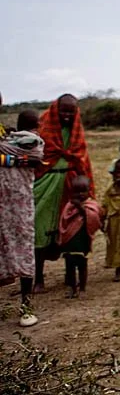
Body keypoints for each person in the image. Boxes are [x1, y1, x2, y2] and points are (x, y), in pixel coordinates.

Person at [33, 94, 94, 292]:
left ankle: (70, 276)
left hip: (70, 185)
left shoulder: (76, 131)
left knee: (71, 230)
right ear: (55, 110)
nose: (67, 115)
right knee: (40, 231)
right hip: (46, 184)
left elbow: (81, 158)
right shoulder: (43, 129)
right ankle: (38, 278)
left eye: (71, 111)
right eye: (64, 110)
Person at [0, 109, 44, 326]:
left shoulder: (13, 138)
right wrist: (15, 158)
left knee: (25, 247)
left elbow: (35, 158)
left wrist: (4, 157)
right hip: (9, 203)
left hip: (18, 203)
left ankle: (26, 307)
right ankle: (25, 307)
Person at [56, 176, 101, 299]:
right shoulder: (69, 206)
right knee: (69, 266)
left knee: (82, 266)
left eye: (83, 191)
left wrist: (80, 208)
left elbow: (93, 220)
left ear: (89, 191)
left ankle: (82, 288)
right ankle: (71, 287)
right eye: (76, 191)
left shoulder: (90, 205)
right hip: (70, 241)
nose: (80, 194)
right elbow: (64, 221)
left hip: (82, 241)